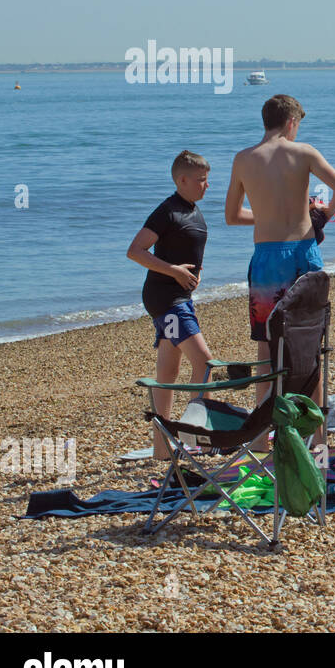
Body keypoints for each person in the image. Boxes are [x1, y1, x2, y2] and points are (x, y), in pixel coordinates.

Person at [226, 95, 335, 404]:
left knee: (267, 347)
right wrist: (321, 214)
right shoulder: (303, 153)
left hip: (267, 258)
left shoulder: (243, 159)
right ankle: (316, 435)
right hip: (303, 252)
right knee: (310, 345)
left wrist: (268, 215)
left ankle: (260, 436)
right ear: (291, 123)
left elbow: (232, 216)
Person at [126, 151, 215, 459]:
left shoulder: (193, 210)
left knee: (167, 371)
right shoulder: (167, 211)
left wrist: (195, 274)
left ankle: (161, 448)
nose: (207, 186)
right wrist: (175, 271)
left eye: (208, 179)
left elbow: (190, 250)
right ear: (182, 180)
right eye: (201, 180)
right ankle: (193, 435)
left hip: (178, 298)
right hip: (166, 299)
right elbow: (135, 251)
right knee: (204, 363)